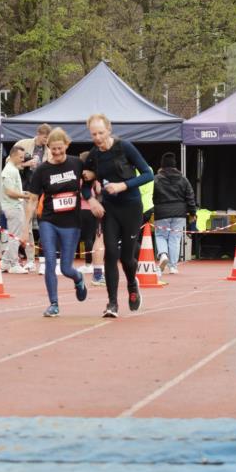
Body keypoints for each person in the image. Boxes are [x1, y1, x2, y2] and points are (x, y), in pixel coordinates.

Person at [82, 113, 154, 318]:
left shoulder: (125, 147)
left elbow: (148, 173)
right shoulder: (93, 156)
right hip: (110, 209)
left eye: (101, 133)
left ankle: (132, 284)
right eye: (93, 134)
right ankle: (112, 303)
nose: (97, 138)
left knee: (126, 258)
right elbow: (85, 187)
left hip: (131, 207)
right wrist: (93, 200)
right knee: (111, 253)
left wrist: (123, 185)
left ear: (109, 130)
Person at [24, 128, 88, 316]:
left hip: (71, 222)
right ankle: (54, 303)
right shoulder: (42, 170)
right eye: (53, 149)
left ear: (67, 145)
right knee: (49, 261)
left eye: (60, 148)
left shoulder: (77, 163)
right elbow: (33, 199)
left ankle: (78, 278)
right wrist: (25, 226)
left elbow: (92, 177)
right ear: (48, 148)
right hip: (49, 220)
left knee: (66, 268)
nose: (57, 153)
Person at [153, 152, 197, 274]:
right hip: (180, 214)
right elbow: (190, 196)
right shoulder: (183, 179)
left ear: (162, 165)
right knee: (175, 238)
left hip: (161, 212)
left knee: (161, 235)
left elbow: (151, 196)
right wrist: (192, 213)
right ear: (175, 165)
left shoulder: (156, 179)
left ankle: (163, 255)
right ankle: (173, 266)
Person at [17, 124, 52, 271]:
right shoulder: (23, 144)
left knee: (45, 224)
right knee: (28, 225)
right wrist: (26, 164)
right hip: (26, 191)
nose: (46, 140)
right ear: (38, 134)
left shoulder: (49, 151)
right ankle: (30, 259)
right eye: (44, 137)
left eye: (48, 138)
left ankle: (44, 260)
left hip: (42, 192)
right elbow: (9, 163)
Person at [0, 145, 32, 274]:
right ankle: (13, 263)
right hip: (13, 206)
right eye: (20, 157)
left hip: (14, 205)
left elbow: (13, 190)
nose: (22, 160)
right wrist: (24, 195)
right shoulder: (9, 171)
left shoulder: (12, 169)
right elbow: (9, 192)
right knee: (15, 236)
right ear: (12, 155)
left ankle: (5, 262)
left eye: (23, 157)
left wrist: (22, 193)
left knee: (14, 235)